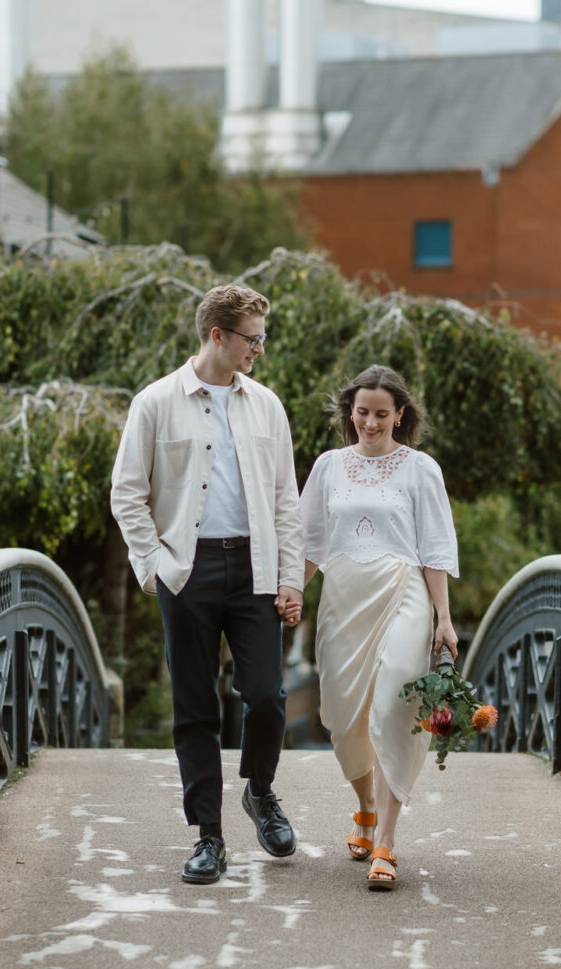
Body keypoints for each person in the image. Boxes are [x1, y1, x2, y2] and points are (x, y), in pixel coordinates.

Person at [110, 284, 305, 885]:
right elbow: (127, 493)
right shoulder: (155, 402)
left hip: (255, 569)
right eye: (252, 339)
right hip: (186, 570)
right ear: (217, 336)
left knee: (268, 696)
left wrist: (291, 578)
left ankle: (261, 792)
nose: (260, 350)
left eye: (262, 338)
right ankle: (209, 837)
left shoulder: (267, 404)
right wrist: (155, 567)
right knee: (195, 707)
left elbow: (284, 500)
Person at [297, 365, 459, 890]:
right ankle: (364, 806)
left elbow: (434, 548)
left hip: (403, 591)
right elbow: (311, 543)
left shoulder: (420, 469)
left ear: (400, 415)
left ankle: (386, 841)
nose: (369, 422)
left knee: (394, 705)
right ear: (350, 412)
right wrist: (292, 590)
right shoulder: (327, 466)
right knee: (344, 718)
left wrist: (445, 618)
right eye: (362, 412)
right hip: (343, 596)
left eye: (381, 414)